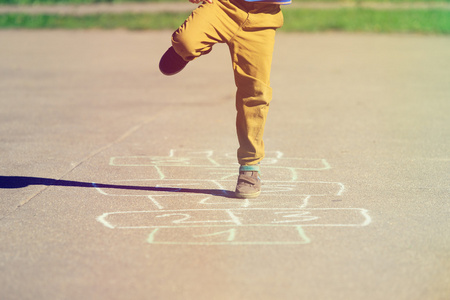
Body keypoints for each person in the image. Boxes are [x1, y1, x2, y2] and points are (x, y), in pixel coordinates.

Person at [159, 0, 290, 198]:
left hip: (263, 17)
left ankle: (250, 167)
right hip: (224, 5)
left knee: (256, 92)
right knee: (186, 40)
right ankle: (184, 51)